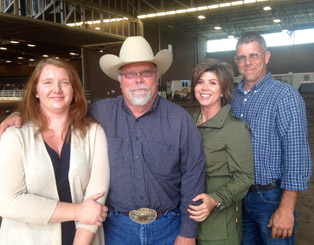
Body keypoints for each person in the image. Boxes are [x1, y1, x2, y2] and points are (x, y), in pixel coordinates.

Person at [0, 36, 205, 245]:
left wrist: (188, 234)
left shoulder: (180, 119)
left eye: (146, 73)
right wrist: (20, 116)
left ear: (157, 77)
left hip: (167, 227)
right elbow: (56, 106)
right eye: (130, 74)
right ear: (120, 80)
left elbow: (193, 176)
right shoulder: (100, 112)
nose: (138, 80)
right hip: (117, 229)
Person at [0, 58, 110, 245]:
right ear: (36, 91)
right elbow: (8, 202)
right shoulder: (15, 136)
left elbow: (96, 197)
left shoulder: (93, 132)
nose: (56, 89)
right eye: (47, 82)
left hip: (83, 239)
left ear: (74, 91)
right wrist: (78, 211)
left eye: (64, 83)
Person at [231, 32, 312, 244]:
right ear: (236, 61)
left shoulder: (285, 96)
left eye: (254, 55)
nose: (247, 62)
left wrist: (286, 207)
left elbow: (297, 154)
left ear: (266, 57)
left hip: (271, 198)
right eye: (242, 57)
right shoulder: (233, 98)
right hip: (239, 198)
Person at [186, 59, 254, 244]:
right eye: (200, 82)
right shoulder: (188, 124)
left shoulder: (234, 129)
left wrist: (215, 199)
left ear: (224, 90)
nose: (204, 88)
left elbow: (244, 177)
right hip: (187, 221)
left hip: (219, 226)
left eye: (212, 83)